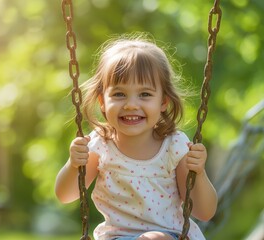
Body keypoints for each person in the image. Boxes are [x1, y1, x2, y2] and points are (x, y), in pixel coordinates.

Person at [55, 33, 217, 240]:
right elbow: (65, 195)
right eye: (119, 94)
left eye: (145, 94)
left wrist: (199, 173)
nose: (131, 104)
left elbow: (205, 212)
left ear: (164, 102)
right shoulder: (99, 145)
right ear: (102, 101)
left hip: (169, 235)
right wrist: (73, 164)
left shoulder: (174, 146)